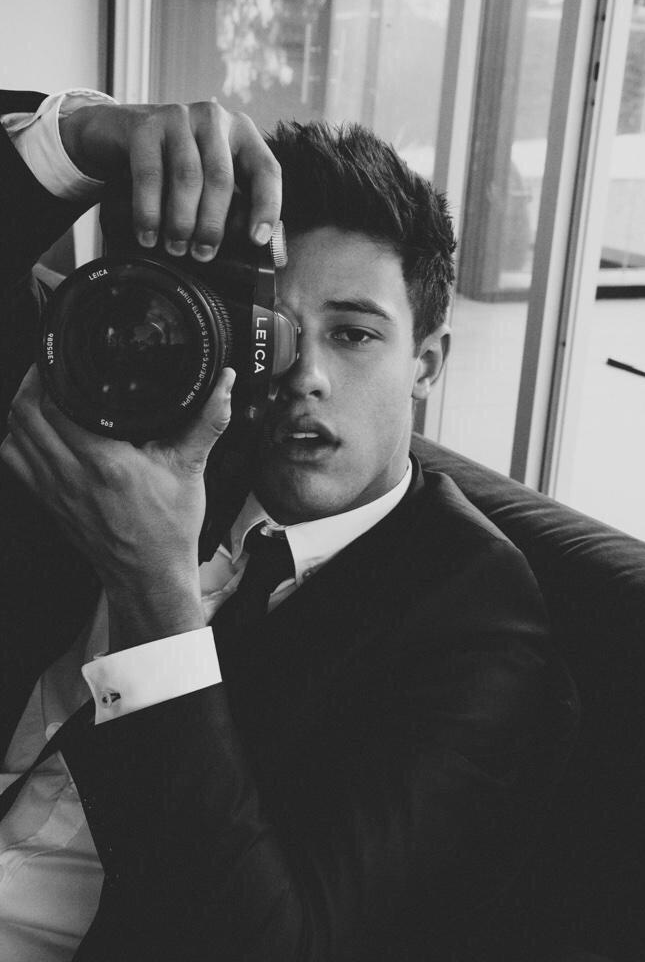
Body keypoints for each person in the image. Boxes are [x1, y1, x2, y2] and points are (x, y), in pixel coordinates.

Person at [0, 89, 578, 961]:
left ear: (427, 363)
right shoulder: (144, 425)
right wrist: (80, 138)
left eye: (354, 335)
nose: (304, 374)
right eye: (277, 330)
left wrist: (154, 589)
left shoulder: (480, 627)